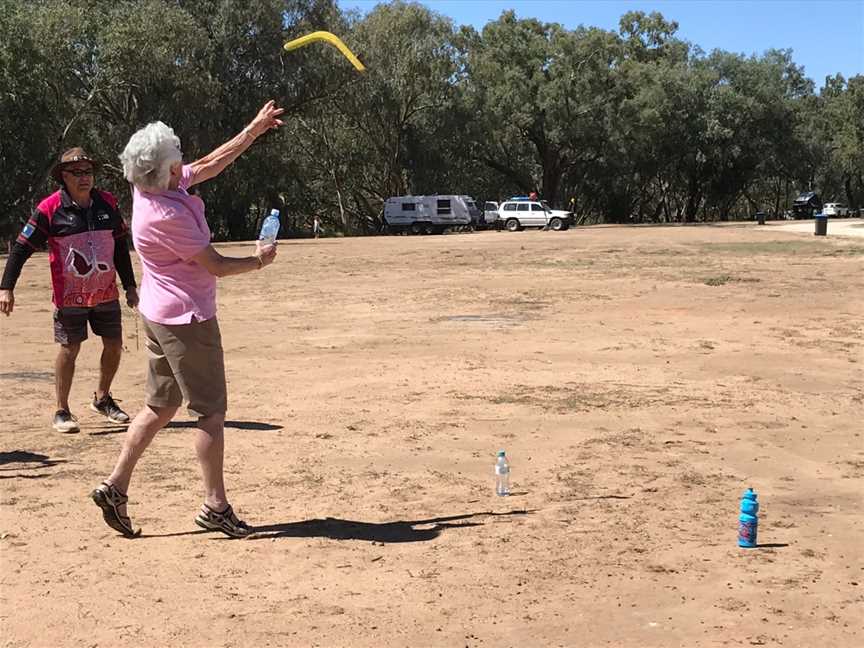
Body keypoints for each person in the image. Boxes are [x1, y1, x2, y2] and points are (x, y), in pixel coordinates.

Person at [91, 100, 284, 539]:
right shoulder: (169, 215)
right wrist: (257, 262)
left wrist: (252, 130)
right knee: (211, 413)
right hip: (186, 320)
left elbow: (211, 163)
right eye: (177, 160)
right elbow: (214, 264)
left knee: (160, 407)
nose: (184, 165)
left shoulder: (151, 186)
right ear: (163, 171)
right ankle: (216, 505)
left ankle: (115, 486)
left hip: (160, 315)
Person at [0, 148, 138, 432]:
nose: (85, 178)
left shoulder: (107, 204)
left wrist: (130, 285)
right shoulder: (49, 209)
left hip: (106, 292)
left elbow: (121, 248)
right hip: (69, 296)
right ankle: (61, 410)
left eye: (88, 172)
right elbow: (21, 248)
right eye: (77, 173)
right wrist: (6, 287)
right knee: (69, 348)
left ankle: (102, 399)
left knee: (114, 345)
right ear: (63, 176)